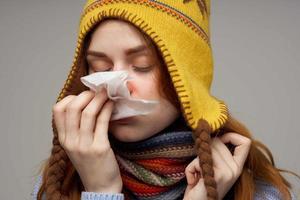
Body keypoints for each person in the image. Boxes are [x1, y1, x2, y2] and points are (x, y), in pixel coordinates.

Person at [31, 0, 299, 199]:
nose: (116, 88)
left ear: (187, 78)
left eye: (142, 65)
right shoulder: (55, 188)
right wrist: (101, 190)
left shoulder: (256, 193)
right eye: (100, 68)